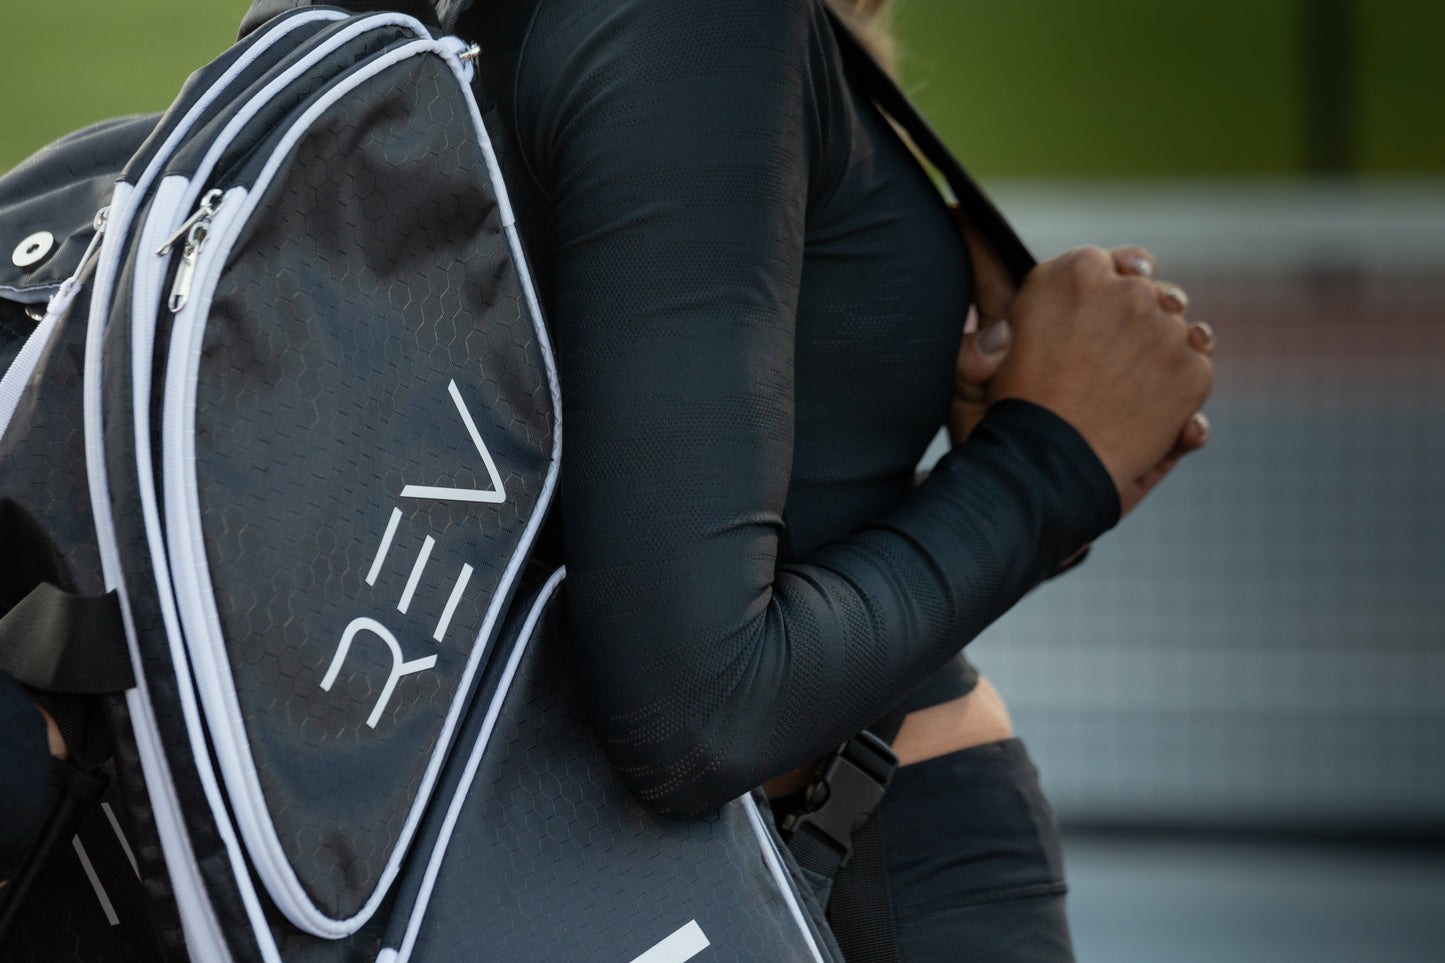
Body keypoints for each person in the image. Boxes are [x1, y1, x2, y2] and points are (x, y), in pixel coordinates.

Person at [458, 0, 1216, 958]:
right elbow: (701, 714)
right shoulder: (696, 24)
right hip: (835, 880)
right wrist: (1041, 470)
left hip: (677, 875)